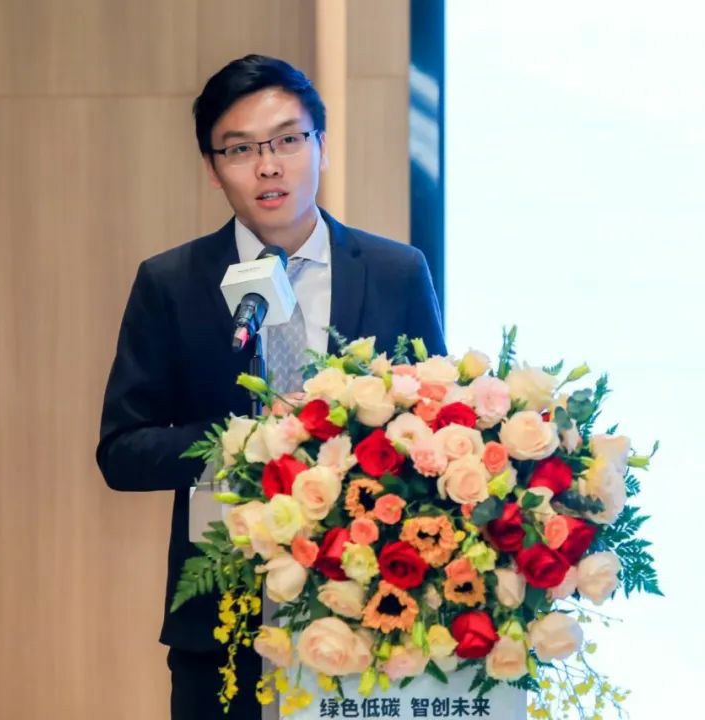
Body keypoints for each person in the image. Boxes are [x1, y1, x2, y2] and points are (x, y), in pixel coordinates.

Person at [95, 54, 446, 720]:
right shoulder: (171, 283)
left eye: (287, 140)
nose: (268, 166)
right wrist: (246, 444)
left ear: (322, 145)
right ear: (212, 167)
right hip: (222, 625)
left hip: (372, 611)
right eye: (240, 149)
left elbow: (435, 429)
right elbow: (121, 451)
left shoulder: (396, 271)